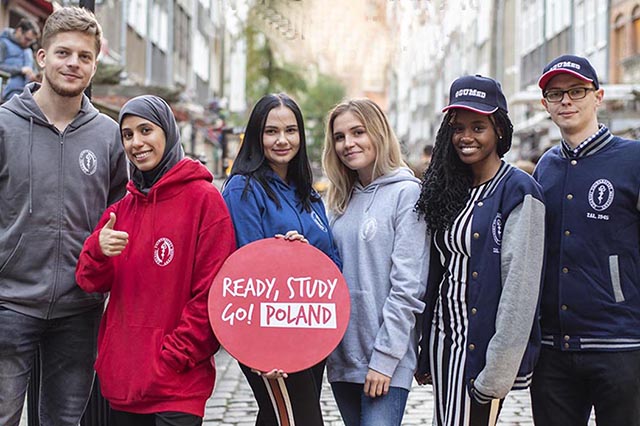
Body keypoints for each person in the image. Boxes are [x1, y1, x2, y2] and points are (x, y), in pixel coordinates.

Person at [0, 7, 128, 426]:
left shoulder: (108, 135)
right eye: (63, 52)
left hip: (80, 307)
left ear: (94, 65)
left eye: (84, 56)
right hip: (9, 303)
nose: (73, 63)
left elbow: (121, 212)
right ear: (41, 57)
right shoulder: (4, 126)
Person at [75, 94, 235, 425]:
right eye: (128, 135)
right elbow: (90, 280)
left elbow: (212, 293)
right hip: (123, 384)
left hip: (177, 386)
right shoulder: (123, 209)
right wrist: (98, 250)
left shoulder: (204, 201)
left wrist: (175, 355)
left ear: (167, 131)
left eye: (146, 130)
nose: (137, 142)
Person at [414, 75, 545, 426]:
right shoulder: (449, 188)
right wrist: (426, 348)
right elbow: (438, 271)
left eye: (478, 126)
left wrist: (498, 372)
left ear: (499, 129)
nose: (465, 137)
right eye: (457, 128)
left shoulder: (519, 190)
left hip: (483, 350)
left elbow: (521, 288)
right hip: (445, 340)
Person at [530, 54, 640, 425]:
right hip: (553, 351)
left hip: (620, 345)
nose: (566, 101)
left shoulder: (633, 160)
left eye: (577, 91)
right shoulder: (545, 166)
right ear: (545, 105)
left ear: (598, 97)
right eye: (556, 94)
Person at [222, 93, 341, 426]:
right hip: (271, 336)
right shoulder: (243, 189)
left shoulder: (308, 194)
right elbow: (245, 270)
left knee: (279, 419)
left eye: (291, 130)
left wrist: (305, 258)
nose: (282, 140)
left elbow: (331, 263)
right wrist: (282, 256)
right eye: (271, 131)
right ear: (257, 136)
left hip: (310, 330)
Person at [322, 98, 429, 426]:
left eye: (358, 132)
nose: (348, 144)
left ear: (379, 134)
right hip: (343, 358)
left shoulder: (407, 194)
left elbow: (408, 287)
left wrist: (384, 359)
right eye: (339, 137)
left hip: (386, 360)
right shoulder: (340, 200)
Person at [0, 17, 39, 102]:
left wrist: (35, 76)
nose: (28, 43)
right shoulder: (3, 43)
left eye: (31, 41)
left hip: (27, 95)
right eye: (27, 39)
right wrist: (20, 70)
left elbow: (33, 71)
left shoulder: (27, 50)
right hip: (8, 94)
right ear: (19, 30)